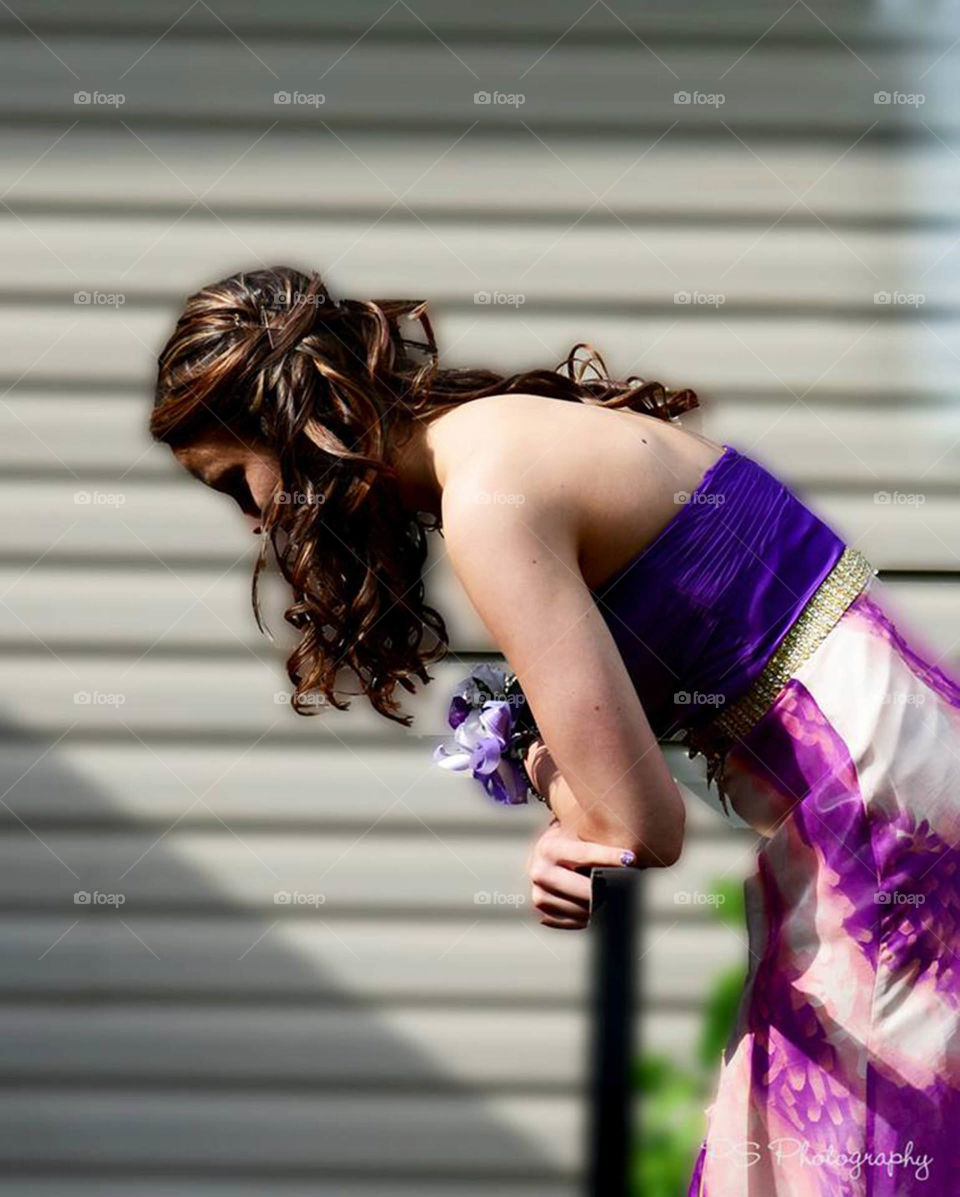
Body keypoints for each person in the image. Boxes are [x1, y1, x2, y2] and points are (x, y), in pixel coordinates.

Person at [152, 265, 960, 1196]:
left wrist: (538, 766)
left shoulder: (486, 502)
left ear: (295, 424)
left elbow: (639, 827)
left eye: (237, 484)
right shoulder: (504, 431)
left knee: (846, 1148)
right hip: (902, 752)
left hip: (873, 806)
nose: (255, 523)